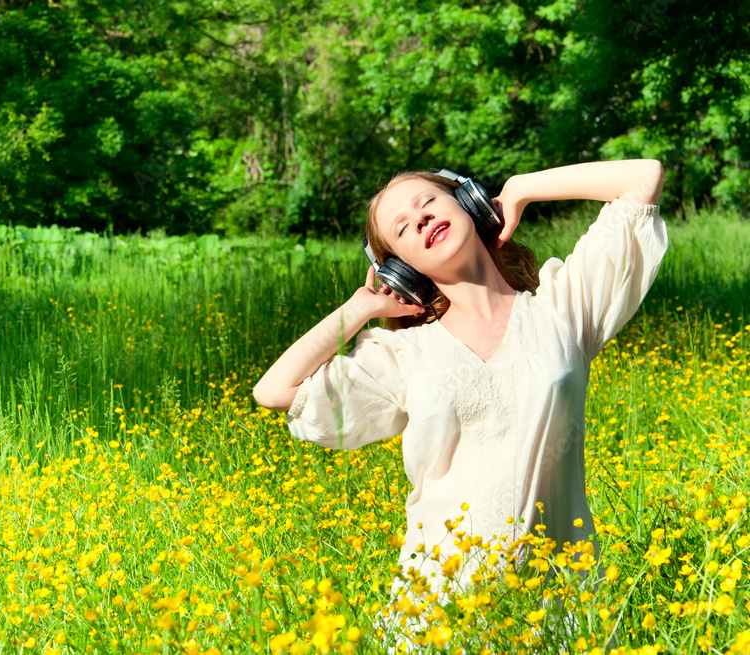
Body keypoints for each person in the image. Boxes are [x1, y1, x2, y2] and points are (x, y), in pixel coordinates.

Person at [252, 160, 667, 651]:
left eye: (428, 202)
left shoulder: (563, 308)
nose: (421, 220)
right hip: (437, 610)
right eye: (402, 228)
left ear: (469, 202)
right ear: (400, 267)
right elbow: (274, 391)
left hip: (557, 604)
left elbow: (643, 179)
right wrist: (360, 307)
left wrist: (520, 189)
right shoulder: (405, 355)